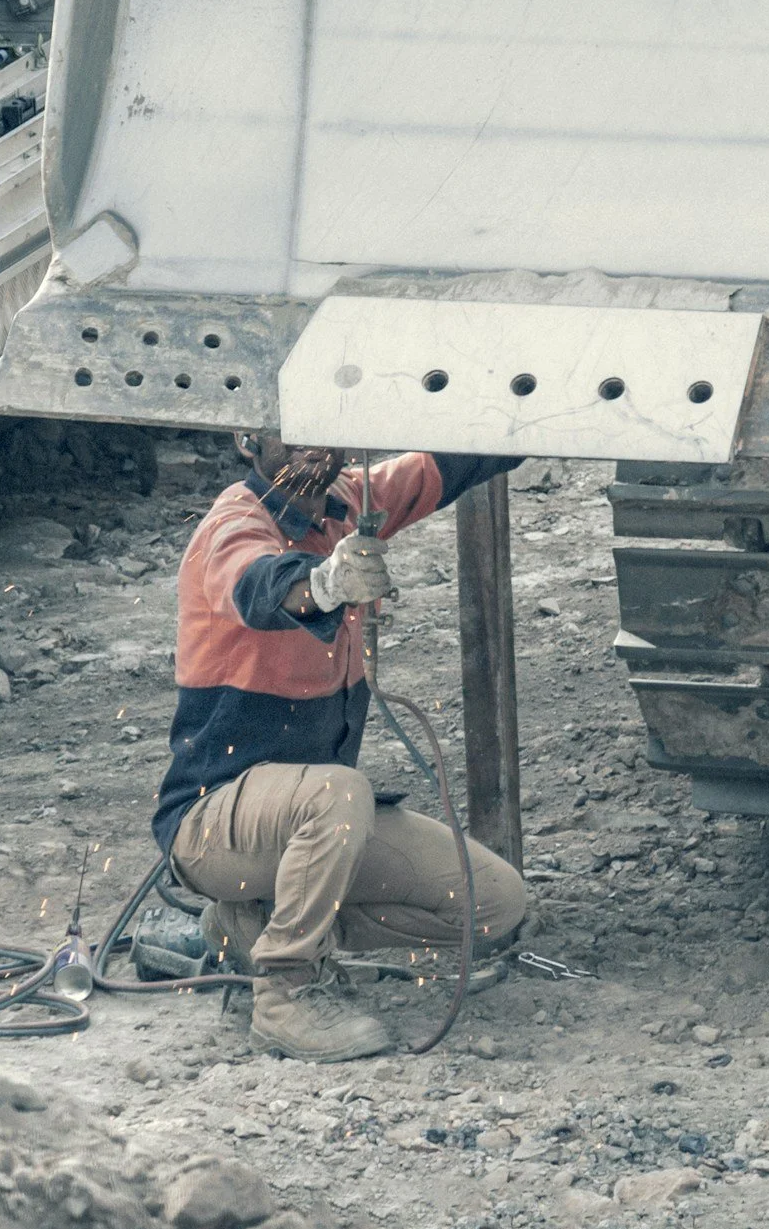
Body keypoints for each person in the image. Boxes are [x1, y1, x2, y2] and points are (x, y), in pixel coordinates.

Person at [155, 433, 528, 1061]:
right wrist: (326, 585)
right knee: (338, 791)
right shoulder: (233, 523)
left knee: (495, 903)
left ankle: (249, 927)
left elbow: (451, 460)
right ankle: (286, 991)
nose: (312, 452)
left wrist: (530, 413)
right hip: (211, 822)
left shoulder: (350, 501)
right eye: (290, 436)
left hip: (308, 820)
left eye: (320, 434)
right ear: (249, 441)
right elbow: (259, 586)